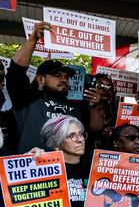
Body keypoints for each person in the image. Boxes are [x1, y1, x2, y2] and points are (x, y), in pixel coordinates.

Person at [7, 21, 103, 153]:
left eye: (66, 77)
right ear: (40, 79)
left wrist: (96, 106)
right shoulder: (26, 98)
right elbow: (15, 72)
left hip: (66, 171)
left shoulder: (77, 107)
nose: (64, 80)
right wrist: (32, 40)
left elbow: (95, 130)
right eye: (57, 75)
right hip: (32, 168)